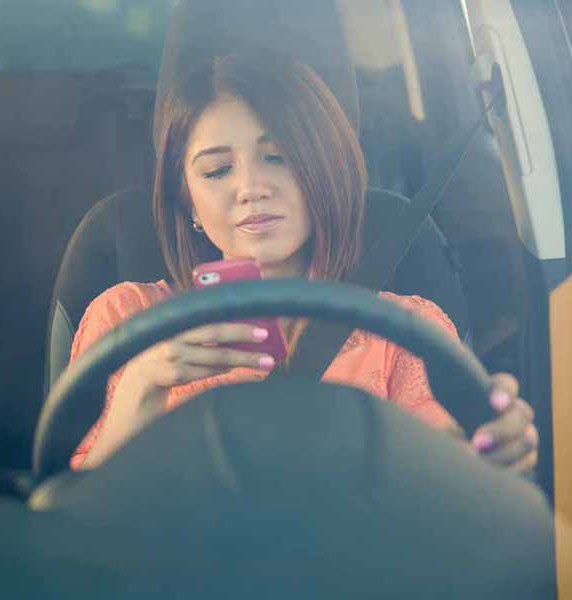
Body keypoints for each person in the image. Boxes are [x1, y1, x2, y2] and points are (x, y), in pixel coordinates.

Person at [68, 51, 538, 474]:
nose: (251, 188)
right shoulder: (127, 320)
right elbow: (75, 519)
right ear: (188, 201)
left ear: (326, 171)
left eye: (277, 157)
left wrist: (484, 449)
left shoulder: (405, 330)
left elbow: (444, 469)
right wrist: (142, 385)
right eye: (217, 170)